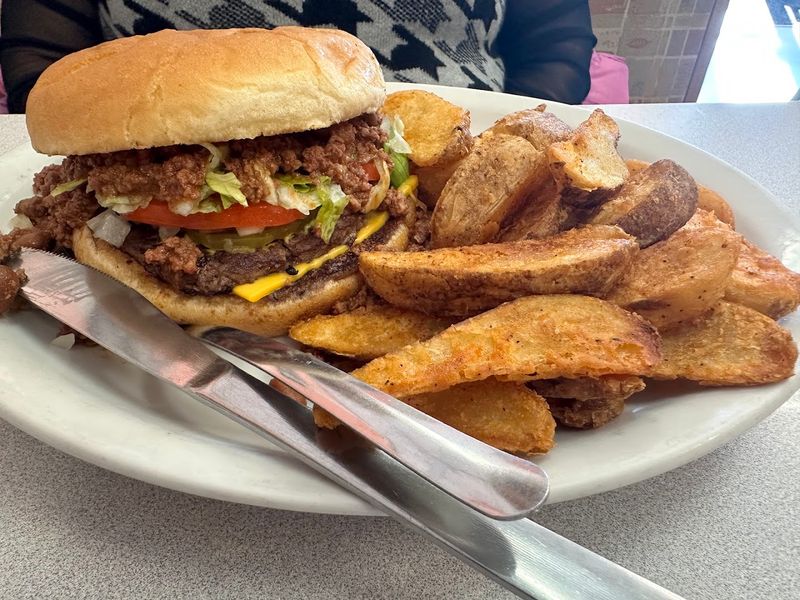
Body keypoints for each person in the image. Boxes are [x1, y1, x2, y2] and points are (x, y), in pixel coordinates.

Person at [0, 0, 596, 114]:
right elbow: (39, 56)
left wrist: (514, 130)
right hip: (148, 130)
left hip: (471, 121)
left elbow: (555, 42)